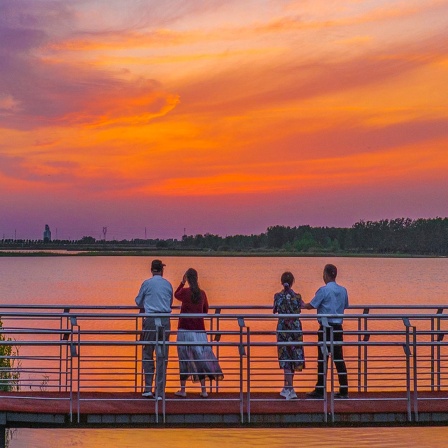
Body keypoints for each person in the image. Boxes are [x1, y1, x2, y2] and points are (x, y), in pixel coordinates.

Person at [173, 268, 223, 398]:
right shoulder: (202, 294)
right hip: (199, 331)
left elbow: (176, 294)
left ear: (187, 278)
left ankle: (183, 389)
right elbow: (205, 310)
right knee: (200, 359)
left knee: (184, 358)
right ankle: (204, 390)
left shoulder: (185, 292)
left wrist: (182, 282)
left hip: (184, 330)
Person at [303, 263, 349, 399]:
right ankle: (344, 389)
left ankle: (320, 389)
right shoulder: (343, 290)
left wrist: (301, 304)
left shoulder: (323, 290)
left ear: (325, 274)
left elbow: (312, 305)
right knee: (339, 358)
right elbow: (345, 305)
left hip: (325, 328)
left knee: (322, 358)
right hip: (338, 328)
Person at [135, 259, 173, 399]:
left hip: (150, 320)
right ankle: (160, 391)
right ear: (162, 270)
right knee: (162, 356)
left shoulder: (147, 283)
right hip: (165, 321)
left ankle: (147, 388)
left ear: (152, 270)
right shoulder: (168, 284)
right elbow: (169, 303)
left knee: (147, 353)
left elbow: (138, 302)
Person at [273, 271, 305, 400]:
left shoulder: (278, 296)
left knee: (285, 357)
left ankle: (290, 388)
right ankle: (288, 387)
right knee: (293, 357)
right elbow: (302, 306)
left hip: (283, 330)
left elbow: (275, 309)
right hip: (295, 329)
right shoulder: (297, 297)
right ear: (292, 282)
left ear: (282, 282)